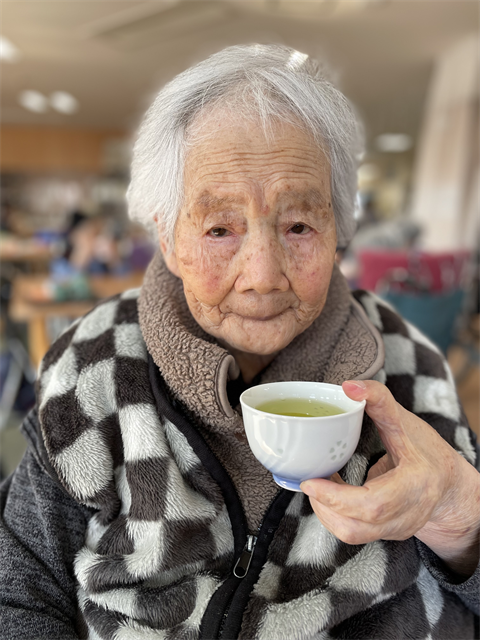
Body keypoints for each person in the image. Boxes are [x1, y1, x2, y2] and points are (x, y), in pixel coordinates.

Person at [0, 45, 478, 640]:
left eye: (299, 225)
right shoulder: (90, 366)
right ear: (168, 238)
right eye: (220, 228)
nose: (262, 275)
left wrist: (462, 514)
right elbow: (18, 587)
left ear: (339, 234)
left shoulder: (409, 365)